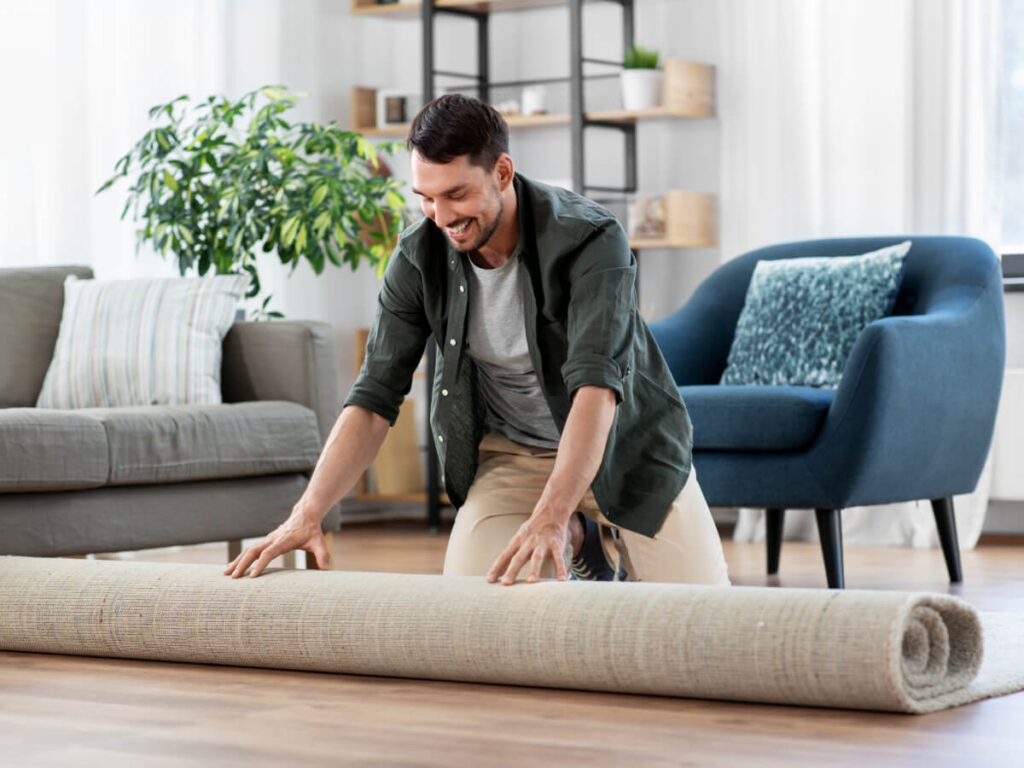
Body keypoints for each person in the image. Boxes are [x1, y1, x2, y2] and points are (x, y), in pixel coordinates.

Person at [225, 94, 729, 586]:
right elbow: (375, 397)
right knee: (474, 624)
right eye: (425, 197)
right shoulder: (418, 256)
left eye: (456, 195)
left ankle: (571, 521)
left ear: (502, 172)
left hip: (627, 449)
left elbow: (595, 388)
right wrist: (308, 512)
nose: (441, 217)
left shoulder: (590, 239)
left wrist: (549, 516)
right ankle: (581, 537)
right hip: (514, 458)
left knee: (700, 624)